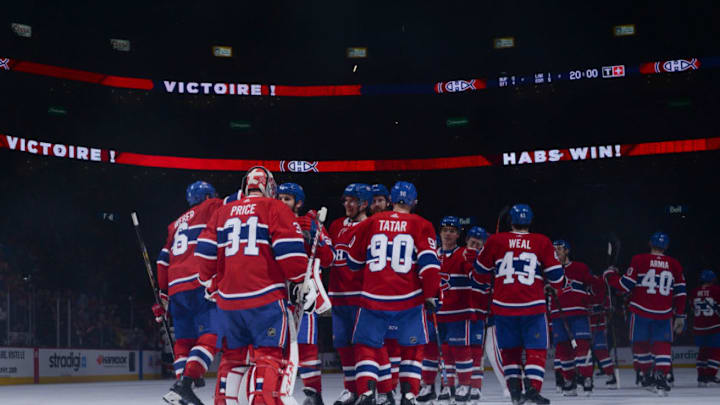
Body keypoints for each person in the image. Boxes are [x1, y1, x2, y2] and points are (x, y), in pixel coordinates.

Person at [192, 166, 310, 405]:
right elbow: (291, 256)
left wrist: (213, 283)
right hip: (265, 300)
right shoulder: (275, 207)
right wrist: (299, 280)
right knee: (268, 357)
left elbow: (203, 255)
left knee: (233, 358)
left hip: (228, 302)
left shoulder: (223, 212)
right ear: (269, 188)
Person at [347, 181, 442, 405]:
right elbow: (430, 266)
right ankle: (409, 394)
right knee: (413, 347)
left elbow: (352, 262)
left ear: (390, 200)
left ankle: (367, 391)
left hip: (373, 298)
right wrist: (431, 294)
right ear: (414, 202)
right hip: (408, 299)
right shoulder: (423, 224)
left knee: (367, 346)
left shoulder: (371, 222)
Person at [474, 204, 565, 405]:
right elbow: (557, 278)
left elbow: (479, 271)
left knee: (510, 351)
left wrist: (489, 251)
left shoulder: (496, 240)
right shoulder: (541, 241)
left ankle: (515, 392)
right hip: (532, 306)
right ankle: (532, 389)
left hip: (503, 306)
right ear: (530, 221)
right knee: (536, 350)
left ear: (510, 221)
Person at [154, 181, 222, 404]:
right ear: (208, 196)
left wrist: (163, 294)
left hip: (176, 287)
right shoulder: (211, 206)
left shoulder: (174, 225)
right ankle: (185, 383)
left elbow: (162, 260)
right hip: (198, 281)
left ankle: (181, 391)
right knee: (213, 333)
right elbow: (232, 208)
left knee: (183, 341)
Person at [604, 231, 687, 396]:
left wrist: (610, 275)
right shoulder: (674, 264)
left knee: (640, 345)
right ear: (667, 247)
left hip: (640, 311)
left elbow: (625, 286)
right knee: (662, 346)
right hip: (663, 313)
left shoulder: (639, 259)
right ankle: (661, 378)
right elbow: (681, 293)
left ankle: (646, 376)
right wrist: (681, 315)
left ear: (650, 243)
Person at [277, 183, 335, 405]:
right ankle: (276, 390)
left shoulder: (311, 223)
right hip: (277, 293)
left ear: (298, 203)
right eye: (280, 197)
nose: (282, 202)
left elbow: (329, 258)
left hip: (304, 293)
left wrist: (316, 239)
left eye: (288, 199)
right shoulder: (269, 219)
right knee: (276, 346)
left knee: (306, 347)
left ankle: (313, 394)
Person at [419, 216, 475, 405]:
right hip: (435, 313)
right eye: (445, 230)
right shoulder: (432, 254)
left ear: (458, 234)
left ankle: (464, 385)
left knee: (460, 351)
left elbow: (475, 277)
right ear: (440, 232)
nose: (448, 234)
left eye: (452, 230)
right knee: (430, 351)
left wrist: (474, 263)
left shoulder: (464, 253)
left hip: (458, 313)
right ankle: (430, 386)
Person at [327, 184, 373, 405]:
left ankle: (366, 390)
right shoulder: (336, 225)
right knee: (343, 344)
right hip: (338, 294)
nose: (347, 204)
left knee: (362, 343)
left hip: (362, 296)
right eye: (345, 200)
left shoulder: (372, 226)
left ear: (364, 203)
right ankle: (351, 389)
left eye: (352, 200)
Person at [548, 240, 600, 396]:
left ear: (567, 251)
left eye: (559, 249)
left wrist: (596, 297)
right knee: (564, 351)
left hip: (578, 315)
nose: (556, 252)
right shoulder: (548, 271)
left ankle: (587, 379)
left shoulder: (580, 268)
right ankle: (569, 381)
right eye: (553, 249)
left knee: (582, 348)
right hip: (557, 315)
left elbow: (594, 286)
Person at [465, 226, 503, 402]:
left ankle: (507, 386)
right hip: (464, 314)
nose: (474, 245)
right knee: (466, 353)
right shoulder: (460, 256)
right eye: (472, 242)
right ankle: (467, 387)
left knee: (484, 353)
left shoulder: (488, 262)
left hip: (484, 314)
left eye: (478, 244)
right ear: (466, 241)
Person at [689, 269, 720, 386]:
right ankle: (710, 374)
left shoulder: (694, 292)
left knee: (703, 352)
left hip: (699, 327)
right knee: (716, 352)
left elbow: (692, 308)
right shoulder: (717, 291)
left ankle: (701, 376)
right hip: (714, 326)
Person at [587, 274, 618, 388]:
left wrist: (604, 308)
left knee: (601, 351)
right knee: (582, 351)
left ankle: (611, 375)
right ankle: (585, 377)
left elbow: (607, 303)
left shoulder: (599, 282)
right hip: (583, 323)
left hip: (597, 323)